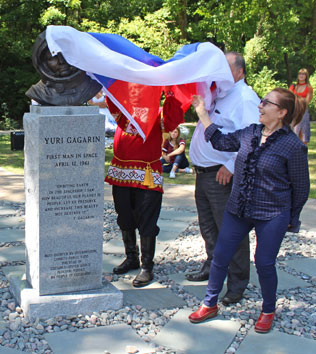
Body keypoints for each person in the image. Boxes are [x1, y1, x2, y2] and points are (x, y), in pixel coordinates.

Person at [188, 88, 309, 333]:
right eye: (262, 101)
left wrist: (291, 218)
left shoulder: (292, 146)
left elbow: (301, 188)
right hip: (239, 208)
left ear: (282, 112)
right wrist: (202, 113)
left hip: (272, 213)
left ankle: (268, 309)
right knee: (221, 256)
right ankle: (209, 303)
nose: (260, 106)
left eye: (266, 103)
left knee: (264, 263)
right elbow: (220, 140)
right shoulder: (250, 132)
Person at [186, 52, 260, 305]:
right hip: (203, 172)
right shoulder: (220, 94)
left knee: (230, 231)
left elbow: (254, 137)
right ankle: (213, 267)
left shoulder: (245, 98)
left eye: (225, 68)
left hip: (222, 174)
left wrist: (231, 165)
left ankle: (237, 283)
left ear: (240, 71)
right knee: (208, 227)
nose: (218, 73)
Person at [106, 85, 183, 288]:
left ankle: (147, 266)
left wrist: (170, 92)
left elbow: (173, 119)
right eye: (132, 89)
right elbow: (111, 99)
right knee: (124, 217)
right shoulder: (124, 112)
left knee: (147, 220)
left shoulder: (158, 114)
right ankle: (131, 257)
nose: (135, 93)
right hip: (121, 173)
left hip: (147, 174)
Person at [289, 68, 313, 144]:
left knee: (303, 133)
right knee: (293, 131)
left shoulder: (308, 87)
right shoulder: (293, 86)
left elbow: (307, 101)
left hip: (303, 111)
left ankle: (303, 151)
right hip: (293, 110)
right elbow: (289, 98)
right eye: (300, 74)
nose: (301, 76)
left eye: (303, 74)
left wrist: (298, 102)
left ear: (306, 76)